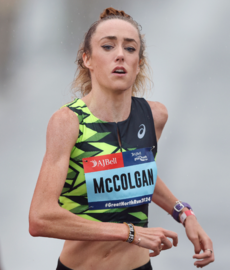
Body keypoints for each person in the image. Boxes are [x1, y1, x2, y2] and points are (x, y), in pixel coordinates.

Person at [29, 7, 214, 270]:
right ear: (87, 59)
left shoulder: (153, 116)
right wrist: (129, 233)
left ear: (139, 63)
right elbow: (40, 218)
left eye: (130, 49)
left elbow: (138, 172)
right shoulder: (68, 122)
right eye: (107, 46)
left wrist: (184, 214)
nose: (120, 55)